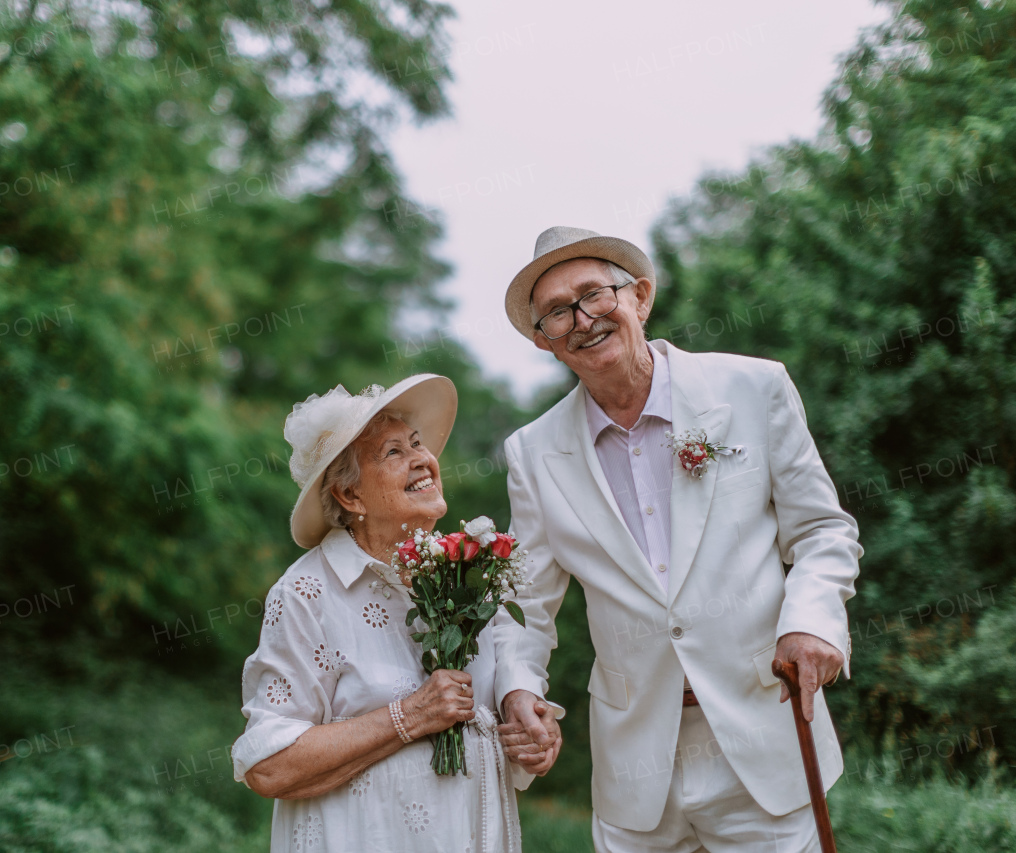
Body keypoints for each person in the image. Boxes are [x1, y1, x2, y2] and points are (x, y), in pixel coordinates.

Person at [492, 227, 862, 852]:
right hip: (635, 768)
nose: (582, 320)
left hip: (765, 735)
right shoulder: (531, 452)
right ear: (544, 341)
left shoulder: (754, 388)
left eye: (595, 295)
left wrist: (812, 622)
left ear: (639, 296)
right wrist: (518, 688)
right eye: (558, 312)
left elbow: (824, 532)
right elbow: (522, 605)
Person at [232, 374, 551, 853]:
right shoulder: (306, 591)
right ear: (350, 497)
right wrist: (409, 716)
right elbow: (269, 765)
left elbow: (512, 654)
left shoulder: (468, 573)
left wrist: (523, 714)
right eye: (393, 452)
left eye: (418, 444)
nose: (423, 459)